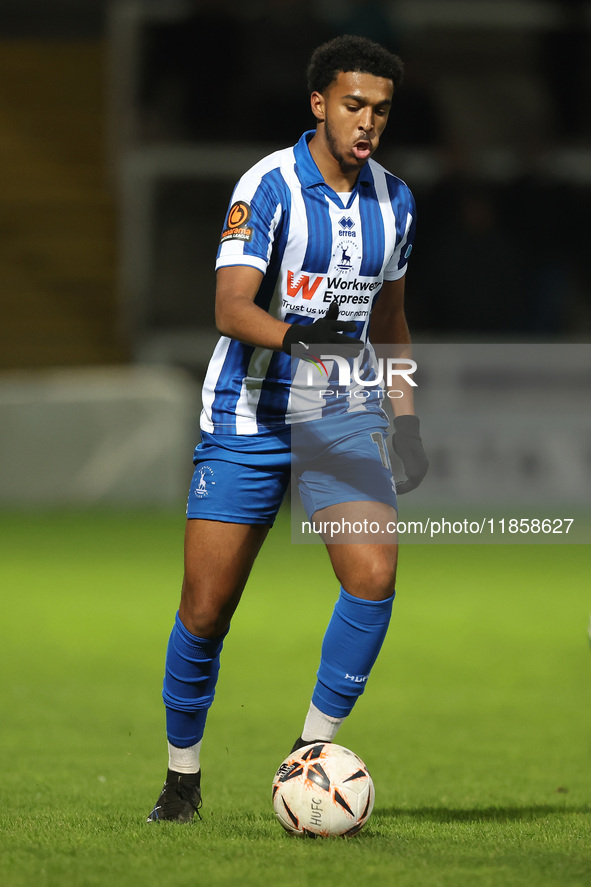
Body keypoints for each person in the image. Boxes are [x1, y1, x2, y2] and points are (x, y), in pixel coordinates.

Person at [147, 33, 428, 823]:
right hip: (249, 416)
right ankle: (181, 780)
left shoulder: (395, 200)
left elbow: (394, 325)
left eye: (379, 109)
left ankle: (306, 762)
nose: (366, 122)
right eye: (352, 105)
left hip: (341, 419)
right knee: (205, 610)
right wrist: (298, 340)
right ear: (318, 104)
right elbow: (230, 308)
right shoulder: (267, 185)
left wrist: (404, 418)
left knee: (372, 577)